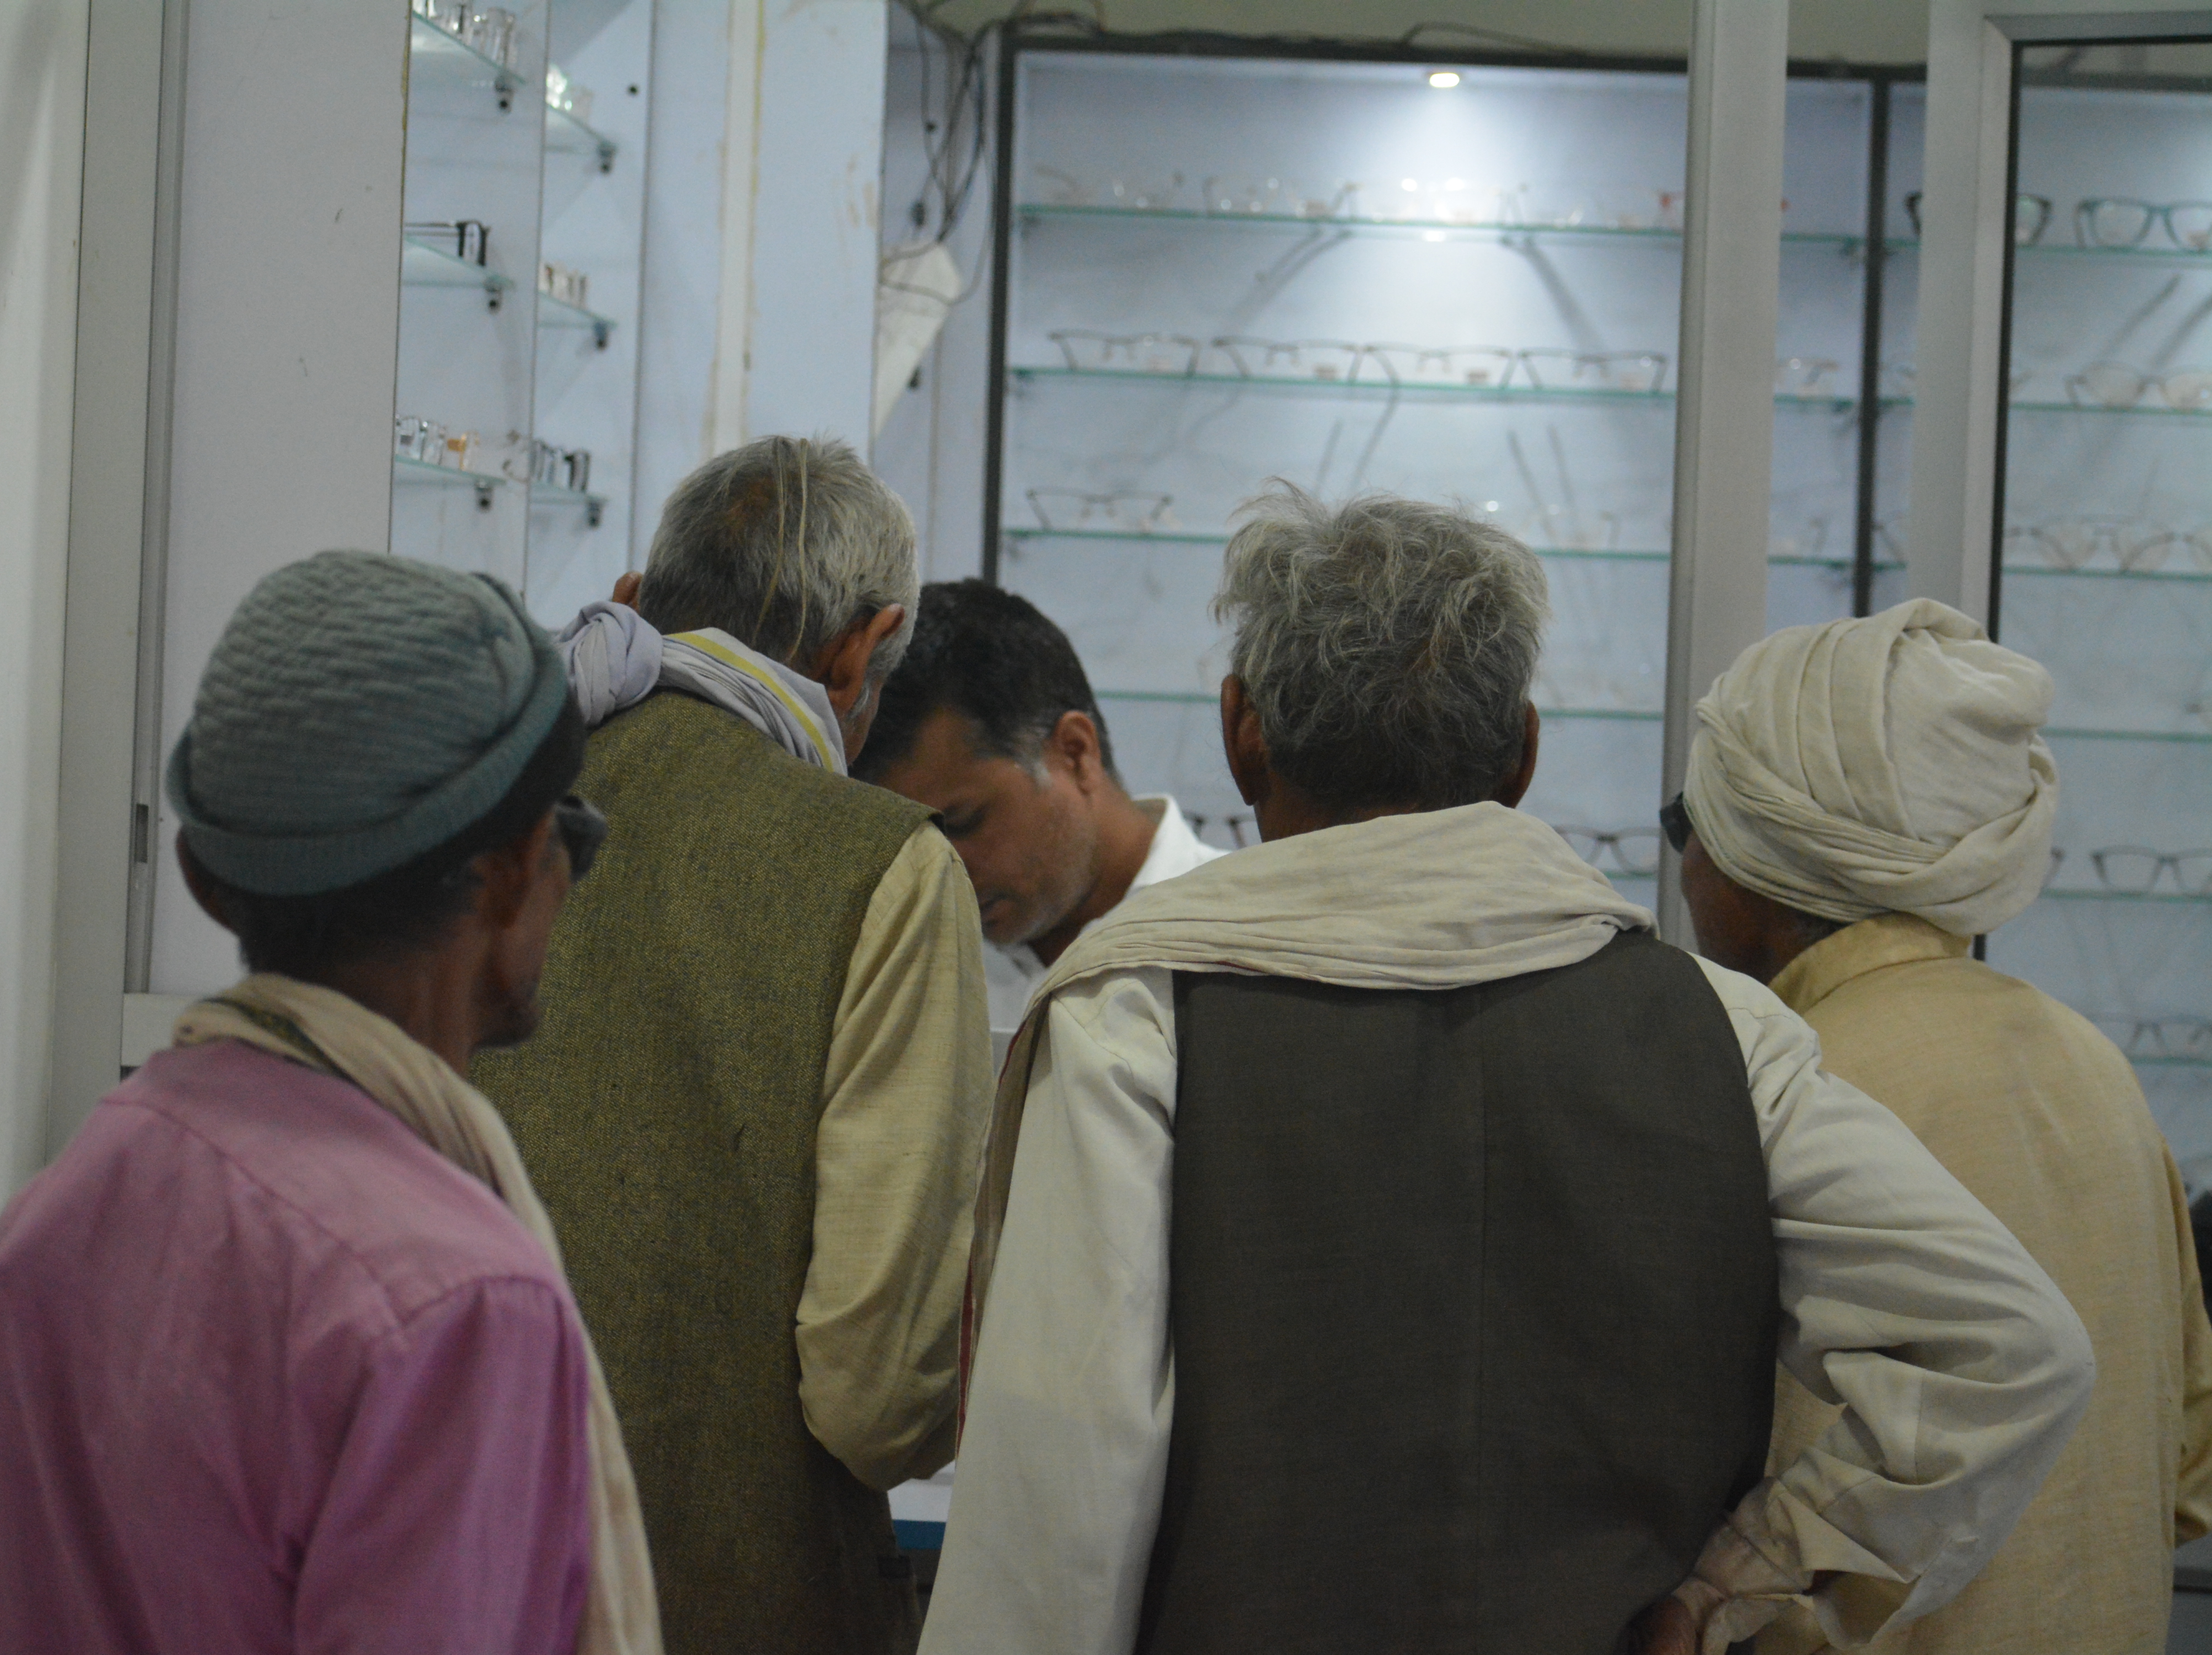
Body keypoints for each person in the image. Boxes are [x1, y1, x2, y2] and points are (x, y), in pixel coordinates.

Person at [918, 488, 2096, 1655]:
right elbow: (2009, 1351)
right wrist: (1734, 1589)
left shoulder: (1139, 1020)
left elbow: (1058, 1497)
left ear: (1242, 733)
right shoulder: (1719, 1032)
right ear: (1523, 751)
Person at [0, 551, 658, 1654]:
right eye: (568, 836)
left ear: (204, 878)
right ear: (511, 870)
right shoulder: (456, 1304)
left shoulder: (59, 1213)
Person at [472, 436, 989, 1655]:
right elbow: (877, 1403)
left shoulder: (488, 796)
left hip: (456, 1571)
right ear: (863, 649)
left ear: (638, 598)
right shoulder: (888, 868)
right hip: (732, 1601)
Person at [1669, 599, 2212, 1655]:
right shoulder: (2095, 1067)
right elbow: (2185, 1466)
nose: (1685, 869)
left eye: (1687, 826)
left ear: (1753, 860)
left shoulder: (1775, 1096)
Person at [857, 579, 1226, 1042]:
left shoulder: (1241, 937)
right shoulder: (909, 969)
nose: (943, 867)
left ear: (1075, 752)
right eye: (911, 842)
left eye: (966, 822)